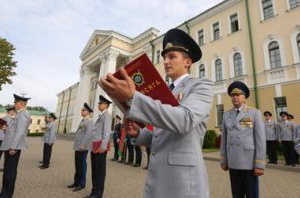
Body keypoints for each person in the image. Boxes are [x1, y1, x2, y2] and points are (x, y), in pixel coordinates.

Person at [100, 28, 213, 198]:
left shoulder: (201, 85)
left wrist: (133, 98)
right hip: (158, 177)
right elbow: (161, 135)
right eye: (164, 57)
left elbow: (185, 120)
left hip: (183, 182)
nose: (166, 61)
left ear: (187, 62)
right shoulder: (164, 91)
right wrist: (139, 133)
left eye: (172, 56)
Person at [220, 81, 266, 198]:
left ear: (244, 97)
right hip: (233, 161)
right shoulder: (226, 115)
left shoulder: (254, 113)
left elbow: (260, 139)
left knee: (251, 194)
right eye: (233, 95)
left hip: (249, 162)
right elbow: (224, 139)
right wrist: (223, 159)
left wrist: (259, 164)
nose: (235, 97)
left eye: (238, 95)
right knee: (236, 194)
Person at [0, 94, 31, 198]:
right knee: (8, 171)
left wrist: (13, 147)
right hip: (10, 145)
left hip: (13, 147)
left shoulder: (23, 114)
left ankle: (6, 195)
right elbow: (15, 130)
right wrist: (5, 128)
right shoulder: (19, 114)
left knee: (10, 172)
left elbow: (20, 132)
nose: (14, 105)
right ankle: (4, 193)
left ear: (20, 104)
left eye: (15, 103)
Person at [84, 95, 112, 198]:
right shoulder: (101, 115)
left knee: (99, 172)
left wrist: (103, 147)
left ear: (106, 105)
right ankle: (94, 192)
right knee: (95, 171)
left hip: (100, 147)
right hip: (95, 146)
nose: (98, 105)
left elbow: (107, 132)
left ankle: (98, 194)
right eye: (99, 103)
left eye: (100, 103)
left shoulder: (107, 116)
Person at [68, 103, 94, 192]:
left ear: (88, 112)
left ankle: (82, 184)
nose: (81, 111)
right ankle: (76, 182)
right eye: (81, 110)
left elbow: (88, 134)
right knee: (77, 165)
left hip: (83, 147)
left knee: (82, 165)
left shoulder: (90, 121)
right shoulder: (82, 121)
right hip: (78, 146)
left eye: (83, 110)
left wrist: (83, 145)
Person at [0, 107, 15, 172]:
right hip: (2, 138)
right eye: (13, 111)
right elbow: (8, 128)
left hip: (1, 138)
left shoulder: (5, 118)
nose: (14, 112)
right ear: (10, 111)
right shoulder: (7, 118)